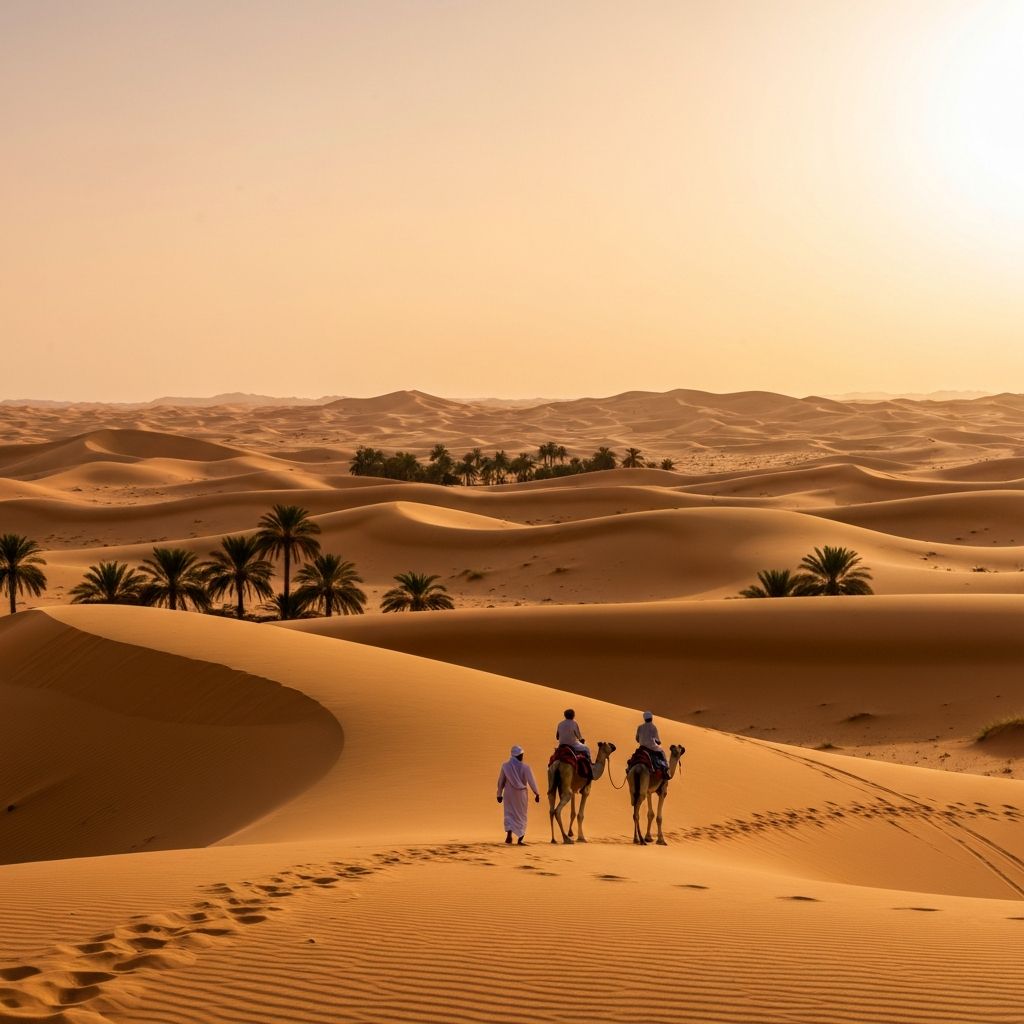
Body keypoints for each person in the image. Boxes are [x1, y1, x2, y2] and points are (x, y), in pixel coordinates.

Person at [496, 744, 540, 845]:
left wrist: (499, 794)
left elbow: (501, 781)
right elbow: (531, 781)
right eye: (521, 755)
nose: (522, 757)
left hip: (509, 794)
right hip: (521, 795)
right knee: (521, 816)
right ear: (517, 755)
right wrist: (537, 793)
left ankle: (509, 835)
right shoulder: (525, 767)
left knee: (509, 813)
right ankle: (520, 839)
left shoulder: (505, 766)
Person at [636, 710, 669, 775]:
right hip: (651, 747)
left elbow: (637, 739)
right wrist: (658, 741)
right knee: (662, 752)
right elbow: (658, 740)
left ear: (644, 719)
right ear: (651, 718)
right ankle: (666, 769)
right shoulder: (653, 727)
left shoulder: (639, 727)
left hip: (642, 747)